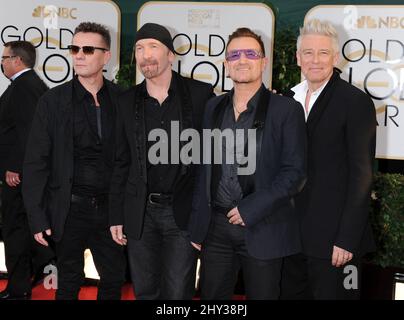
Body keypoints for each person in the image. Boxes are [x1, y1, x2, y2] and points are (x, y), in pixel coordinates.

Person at [188, 27, 307, 300]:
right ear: (226, 64)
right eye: (235, 54)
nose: (243, 60)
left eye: (251, 53)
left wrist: (251, 208)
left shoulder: (286, 109)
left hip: (264, 226)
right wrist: (198, 224)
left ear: (264, 62)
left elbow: (295, 172)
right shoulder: (212, 108)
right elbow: (202, 170)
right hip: (215, 229)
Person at [109, 23, 214, 300]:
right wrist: (117, 215)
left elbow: (211, 160)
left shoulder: (201, 95)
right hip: (141, 212)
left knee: (178, 293)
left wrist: (204, 216)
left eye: (153, 47)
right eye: (140, 49)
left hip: (183, 212)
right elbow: (122, 162)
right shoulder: (126, 100)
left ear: (171, 55)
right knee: (145, 291)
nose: (145, 55)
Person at [22, 22, 126, 300]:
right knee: (68, 280)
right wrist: (37, 215)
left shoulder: (122, 100)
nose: (78, 55)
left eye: (87, 49)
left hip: (111, 211)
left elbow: (130, 159)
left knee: (114, 278)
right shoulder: (52, 102)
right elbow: (35, 163)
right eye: (74, 48)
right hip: (68, 209)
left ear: (106, 56)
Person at [280, 19, 376, 300]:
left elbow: (362, 176)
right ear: (298, 58)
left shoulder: (355, 102)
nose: (315, 60)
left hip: (335, 245)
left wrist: (347, 239)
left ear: (336, 58)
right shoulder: (287, 101)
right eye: (308, 52)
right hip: (290, 240)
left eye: (323, 53)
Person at [0, 40, 54, 300]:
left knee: (16, 229)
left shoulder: (24, 88)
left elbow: (28, 131)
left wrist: (13, 167)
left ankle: (19, 285)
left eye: (4, 57)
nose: (2, 62)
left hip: (17, 176)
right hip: (24, 174)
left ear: (17, 60)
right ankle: (37, 268)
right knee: (21, 228)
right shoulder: (30, 85)